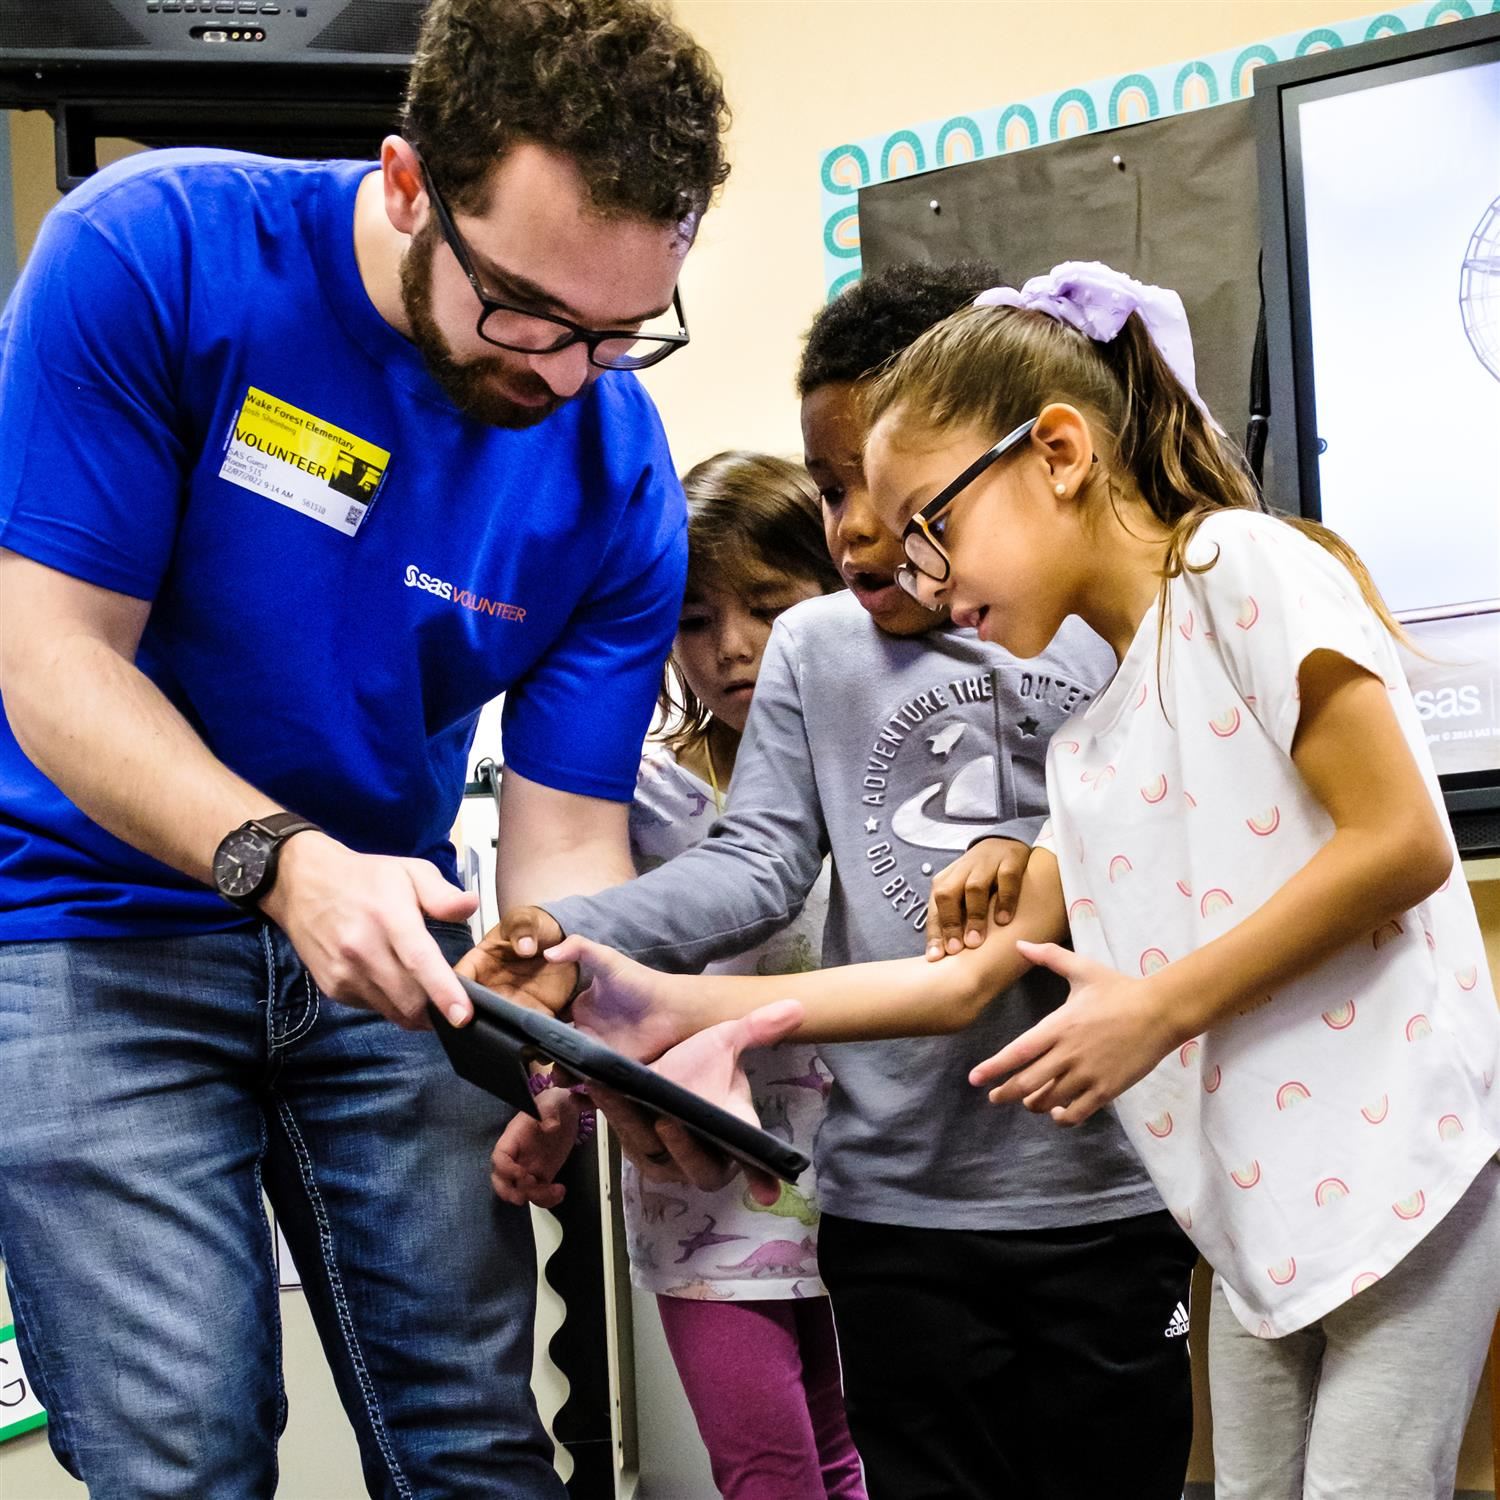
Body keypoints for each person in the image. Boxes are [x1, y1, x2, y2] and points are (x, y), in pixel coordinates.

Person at [543, 262, 1500, 1500]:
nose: (920, 575)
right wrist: (661, 1004)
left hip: (1397, 1179)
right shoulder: (1097, 750)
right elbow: (956, 987)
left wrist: (1159, 1007)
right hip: (1259, 1221)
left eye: (933, 524)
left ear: (1056, 453)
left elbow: (1404, 845)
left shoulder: (1243, 568)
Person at [0, 1, 733, 1493]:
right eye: (529, 312)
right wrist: (280, 865)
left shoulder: (612, 459)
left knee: (473, 1445)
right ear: (408, 185)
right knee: (183, 1451)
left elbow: (567, 841)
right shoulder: (157, 255)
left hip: (390, 945)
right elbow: (51, 659)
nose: (571, 372)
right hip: (83, 922)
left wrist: (567, 1016)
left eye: (621, 328)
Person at [482, 263, 1198, 1500]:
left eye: (885, 487)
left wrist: (1026, 850)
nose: (856, 527)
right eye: (829, 488)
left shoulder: (1109, 623)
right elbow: (756, 865)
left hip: (1102, 1191)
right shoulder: (818, 647)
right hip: (898, 1210)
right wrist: (574, 926)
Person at [495, 450, 863, 1499]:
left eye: (769, 605)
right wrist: (549, 1101)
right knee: (767, 1471)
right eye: (696, 620)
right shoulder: (647, 793)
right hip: (703, 1199)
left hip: (864, 1181)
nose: (734, 649)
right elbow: (590, 976)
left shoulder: (877, 767)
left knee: (848, 1452)